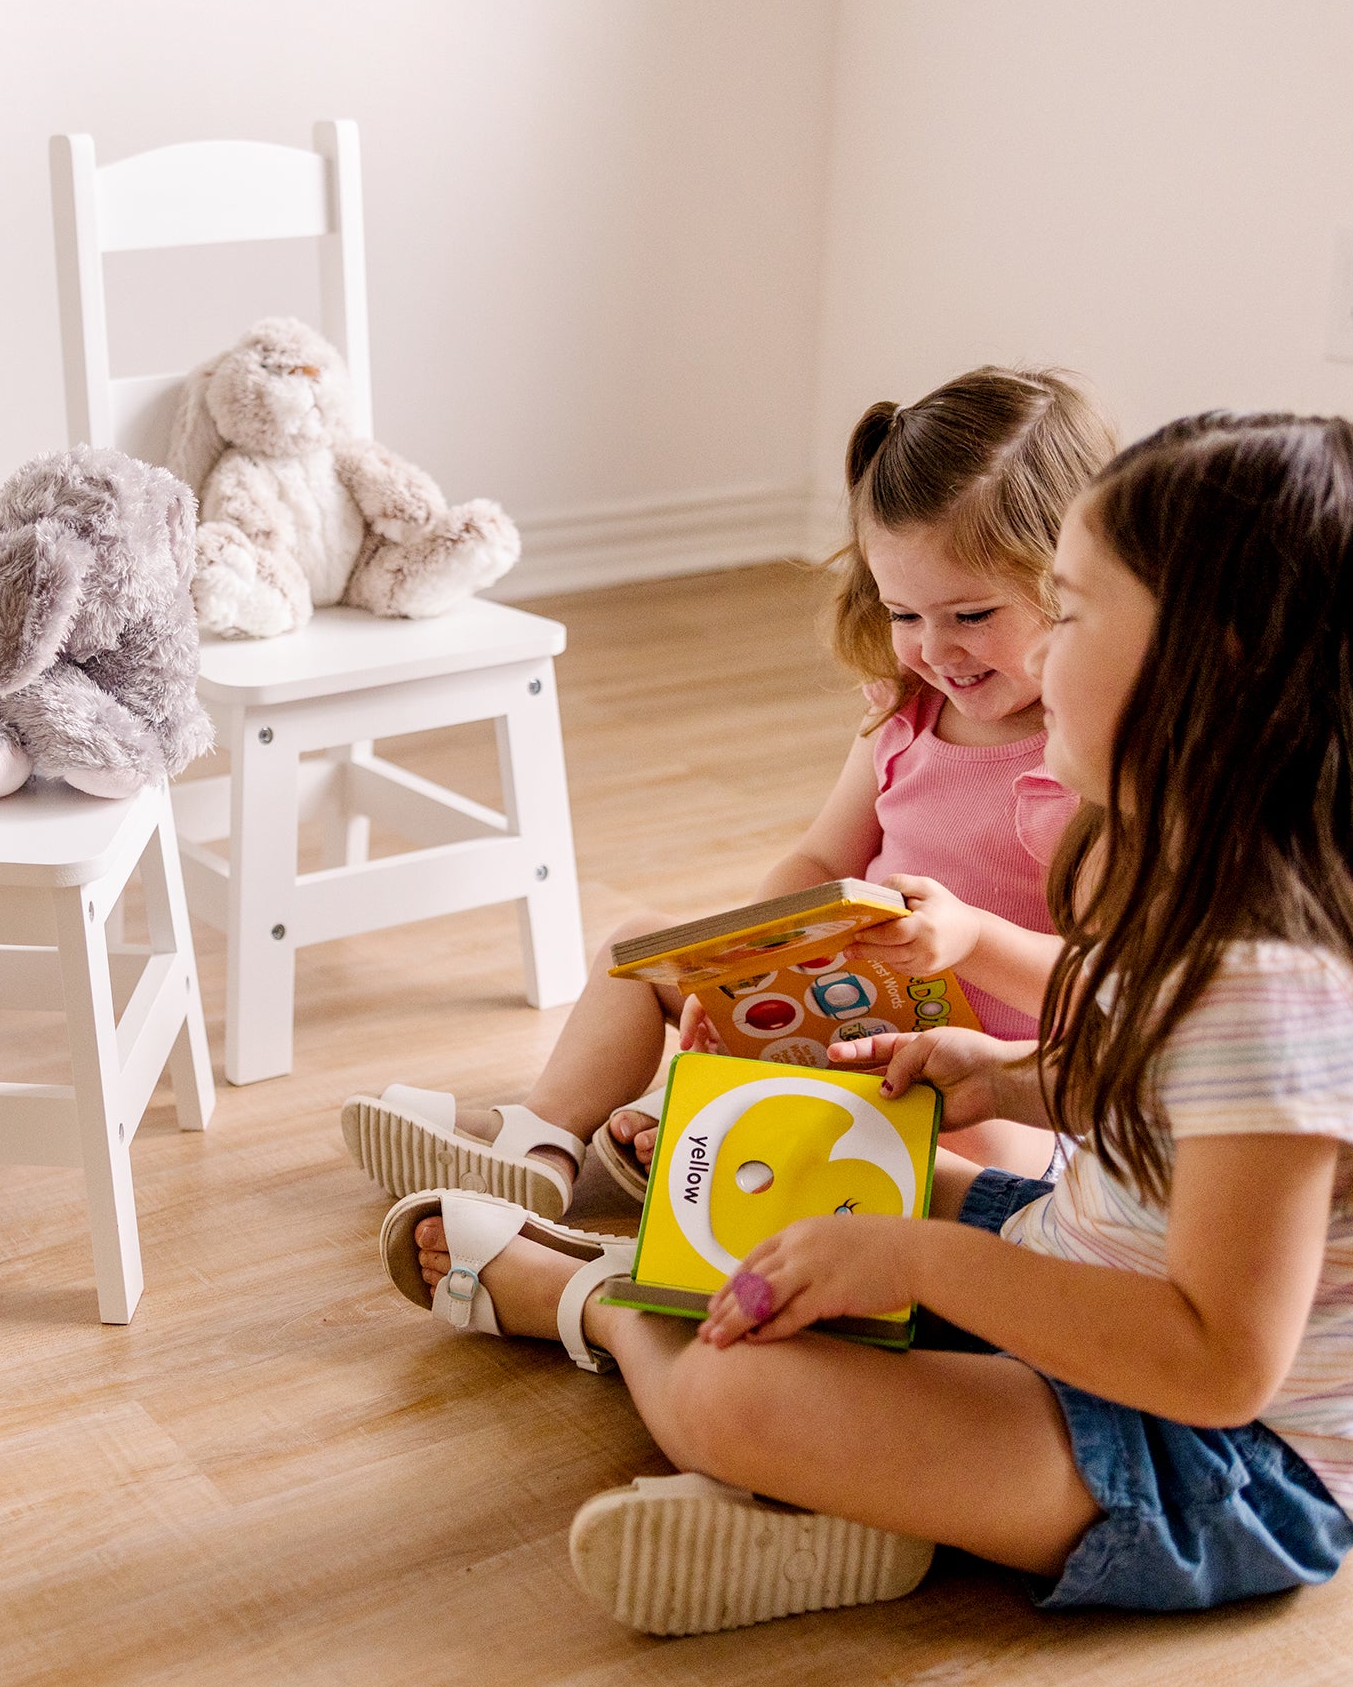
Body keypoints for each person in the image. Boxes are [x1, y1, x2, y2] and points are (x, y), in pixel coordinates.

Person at [386, 411, 1353, 1629]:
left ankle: (604, 1301)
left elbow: (1212, 1358)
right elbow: (1162, 1091)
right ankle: (840, 1483)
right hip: (1080, 1265)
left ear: (1213, 665)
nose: (1036, 649)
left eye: (1072, 610)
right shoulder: (1193, 878)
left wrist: (916, 1258)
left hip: (1219, 1459)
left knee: (739, 1396)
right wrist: (1006, 1078)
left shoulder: (1279, 984)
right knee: (787, 1165)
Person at [341, 366, 1113, 1212]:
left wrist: (970, 940)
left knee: (946, 1137)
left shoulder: (1091, 765)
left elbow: (1108, 990)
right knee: (635, 950)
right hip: (848, 1017)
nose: (934, 649)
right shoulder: (907, 717)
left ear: (1070, 585)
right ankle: (546, 1137)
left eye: (970, 617)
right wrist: (741, 963)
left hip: (997, 1085)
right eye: (904, 615)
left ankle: (695, 1143)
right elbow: (822, 853)